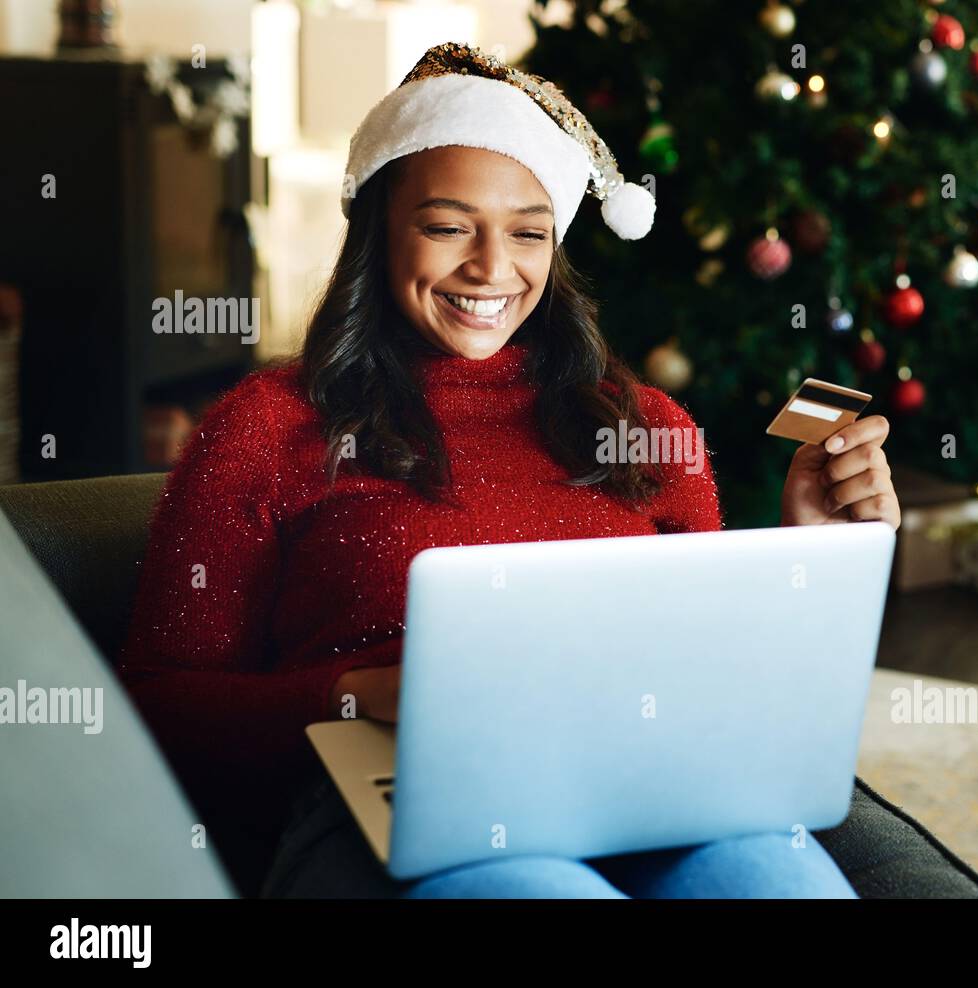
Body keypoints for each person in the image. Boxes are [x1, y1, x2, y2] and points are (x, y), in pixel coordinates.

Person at [119, 42, 901, 899]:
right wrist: (358, 693)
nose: (492, 269)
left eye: (527, 232)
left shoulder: (646, 427)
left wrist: (806, 555)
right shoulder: (269, 423)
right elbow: (158, 706)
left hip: (641, 791)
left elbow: (712, 685)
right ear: (381, 230)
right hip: (386, 812)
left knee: (775, 878)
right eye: (448, 226)